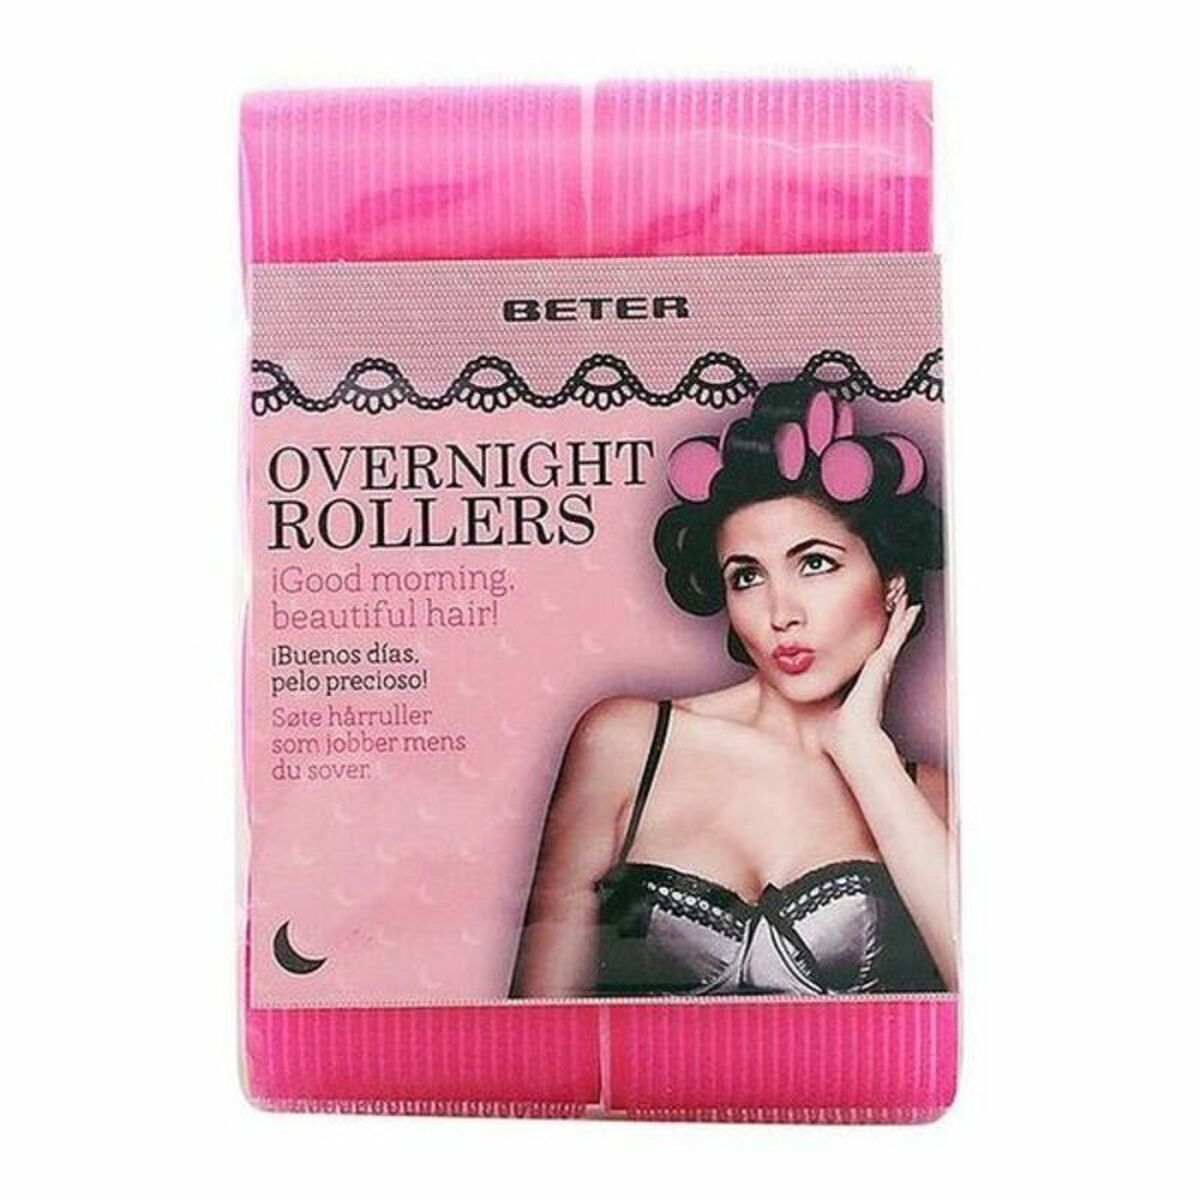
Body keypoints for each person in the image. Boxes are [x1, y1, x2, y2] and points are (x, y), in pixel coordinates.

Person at [510, 381, 955, 997]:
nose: (781, 613)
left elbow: (986, 1007)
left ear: (892, 585)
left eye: (815, 563)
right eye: (747, 577)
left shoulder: (928, 796)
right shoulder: (628, 742)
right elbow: (534, 1027)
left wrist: (864, 750)